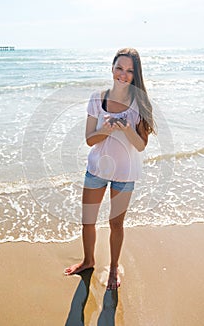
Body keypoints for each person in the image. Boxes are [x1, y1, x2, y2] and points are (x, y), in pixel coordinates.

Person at [64, 48, 155, 290]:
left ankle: (114, 267)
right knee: (88, 220)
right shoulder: (97, 98)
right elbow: (89, 140)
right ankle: (88, 260)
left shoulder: (140, 104)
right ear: (112, 68)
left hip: (125, 174)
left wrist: (126, 129)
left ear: (135, 75)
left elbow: (141, 146)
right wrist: (105, 129)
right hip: (96, 169)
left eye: (129, 71)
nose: (122, 75)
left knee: (116, 224)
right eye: (119, 68)